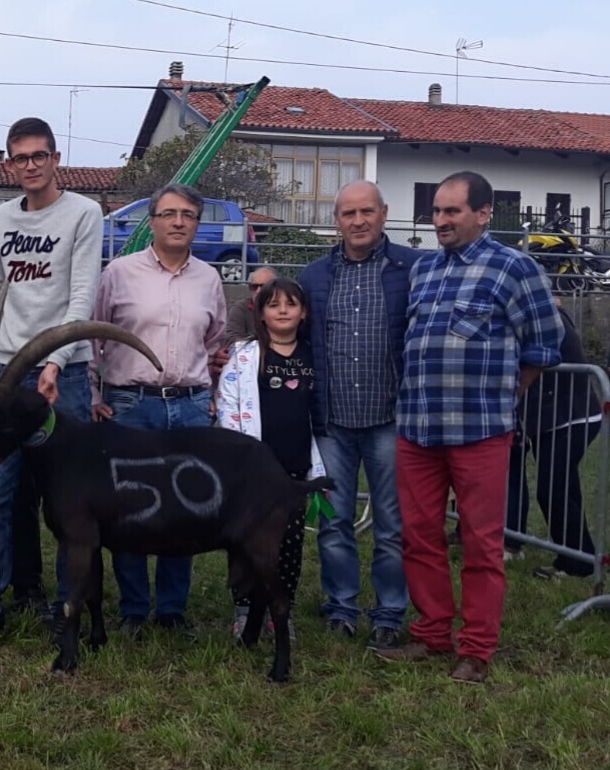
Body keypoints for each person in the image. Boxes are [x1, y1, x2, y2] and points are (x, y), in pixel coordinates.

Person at [380, 171, 562, 684]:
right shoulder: (424, 270)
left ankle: (476, 649)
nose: (440, 221)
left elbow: (544, 344)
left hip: (480, 430)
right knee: (419, 536)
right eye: (437, 211)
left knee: (482, 544)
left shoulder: (514, 268)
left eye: (452, 211)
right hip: (417, 427)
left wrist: (508, 393)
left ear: (484, 214)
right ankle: (432, 632)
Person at [0, 117, 103, 649]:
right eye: (20, 157)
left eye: (39, 156)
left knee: (68, 498)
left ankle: (68, 605)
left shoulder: (84, 212)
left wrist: (55, 363)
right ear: (7, 164)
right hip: (6, 376)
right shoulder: (4, 218)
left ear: (56, 158)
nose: (30, 165)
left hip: (65, 374)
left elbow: (82, 297)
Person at [90, 183, 227, 639]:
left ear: (197, 223)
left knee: (183, 511)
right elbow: (95, 338)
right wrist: (95, 394)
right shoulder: (120, 273)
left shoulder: (209, 278)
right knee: (129, 511)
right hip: (131, 406)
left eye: (188, 214)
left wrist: (210, 393)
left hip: (187, 408)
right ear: (152, 220)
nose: (178, 222)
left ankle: (171, 610)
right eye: (169, 213)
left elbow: (215, 343)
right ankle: (133, 609)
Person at [298, 181, 420, 652]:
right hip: (333, 424)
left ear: (384, 213)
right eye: (348, 213)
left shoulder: (412, 269)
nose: (358, 221)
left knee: (392, 525)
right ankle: (341, 607)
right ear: (337, 220)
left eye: (366, 211)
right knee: (333, 522)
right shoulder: (314, 276)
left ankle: (389, 612)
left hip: (390, 418)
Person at [217, 277, 325, 642]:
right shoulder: (244, 356)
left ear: (303, 312)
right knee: (246, 540)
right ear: (260, 313)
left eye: (290, 304)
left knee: (290, 543)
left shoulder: (313, 356)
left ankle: (281, 609)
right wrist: (242, 459)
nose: (282, 310)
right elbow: (228, 407)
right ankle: (246, 605)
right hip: (254, 471)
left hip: (295, 469)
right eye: (273, 304)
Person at [504, 301, 600, 579]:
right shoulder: (536, 314)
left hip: (572, 416)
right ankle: (578, 556)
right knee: (561, 488)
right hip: (555, 418)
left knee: (554, 488)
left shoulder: (544, 317)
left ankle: (577, 562)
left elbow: (535, 359)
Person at [224, 266, 276, 342]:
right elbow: (231, 339)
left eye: (264, 286)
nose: (258, 291)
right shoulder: (240, 309)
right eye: (254, 287)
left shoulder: (284, 310)